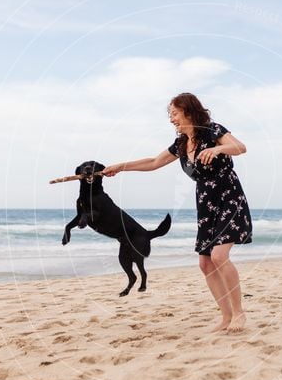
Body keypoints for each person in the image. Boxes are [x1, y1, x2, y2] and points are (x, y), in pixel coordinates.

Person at [103, 93, 253, 332]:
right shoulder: (182, 144)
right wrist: (120, 167)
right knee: (205, 263)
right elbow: (153, 162)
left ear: (188, 111)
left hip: (229, 199)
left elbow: (240, 147)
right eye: (170, 114)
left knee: (219, 256)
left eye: (174, 113)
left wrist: (218, 150)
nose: (171, 119)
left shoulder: (212, 130)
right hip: (206, 204)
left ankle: (239, 314)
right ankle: (226, 318)